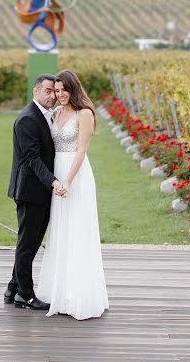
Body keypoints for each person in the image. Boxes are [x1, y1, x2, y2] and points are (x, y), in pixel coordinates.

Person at [36, 70, 109, 320]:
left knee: (78, 230)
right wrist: (55, 180)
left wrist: (67, 180)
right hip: (57, 175)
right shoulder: (57, 113)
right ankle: (60, 290)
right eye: (56, 91)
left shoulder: (84, 114)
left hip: (76, 176)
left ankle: (80, 294)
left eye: (63, 90)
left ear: (73, 88)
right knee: (60, 230)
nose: (59, 95)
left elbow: (81, 151)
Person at [5, 74, 67, 310]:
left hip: (39, 190)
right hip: (31, 190)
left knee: (29, 242)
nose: (53, 96)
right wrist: (53, 181)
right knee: (27, 244)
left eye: (55, 92)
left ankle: (12, 288)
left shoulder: (45, 115)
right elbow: (32, 159)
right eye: (48, 91)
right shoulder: (27, 119)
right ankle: (26, 296)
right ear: (36, 92)